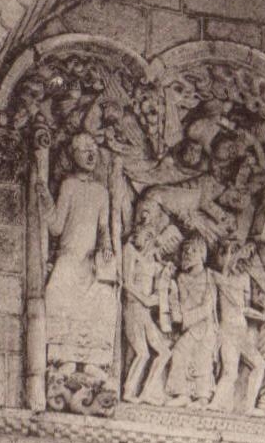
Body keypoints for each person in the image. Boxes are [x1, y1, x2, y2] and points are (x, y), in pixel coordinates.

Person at [38, 131, 117, 369]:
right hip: (69, 257)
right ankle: (65, 358)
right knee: (56, 294)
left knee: (102, 302)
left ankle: (92, 360)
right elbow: (56, 226)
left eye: (93, 149)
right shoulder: (69, 185)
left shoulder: (102, 192)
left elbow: (104, 228)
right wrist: (45, 200)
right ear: (73, 156)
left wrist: (106, 247)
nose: (90, 154)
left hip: (90, 262)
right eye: (84, 150)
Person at [210, 242, 265, 412]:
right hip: (227, 330)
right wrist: (240, 250)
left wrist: (263, 316)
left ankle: (249, 407)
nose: (243, 262)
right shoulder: (222, 276)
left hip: (240, 330)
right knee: (230, 372)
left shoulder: (244, 278)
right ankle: (214, 405)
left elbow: (244, 308)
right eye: (238, 255)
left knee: (260, 364)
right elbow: (227, 264)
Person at [122, 215, 173, 403]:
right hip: (133, 308)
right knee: (142, 352)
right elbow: (126, 283)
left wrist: (164, 278)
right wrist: (146, 299)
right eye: (136, 232)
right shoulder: (130, 251)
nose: (136, 236)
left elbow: (161, 291)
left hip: (144, 312)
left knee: (165, 352)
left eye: (140, 234)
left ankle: (146, 393)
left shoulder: (154, 264)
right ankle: (128, 391)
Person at [165, 234, 218, 406]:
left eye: (193, 250)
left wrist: (185, 318)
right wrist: (172, 293)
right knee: (180, 352)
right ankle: (183, 394)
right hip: (188, 327)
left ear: (202, 255)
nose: (187, 253)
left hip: (205, 326)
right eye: (185, 250)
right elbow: (179, 305)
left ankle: (202, 397)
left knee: (203, 360)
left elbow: (208, 306)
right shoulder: (181, 278)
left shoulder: (209, 276)